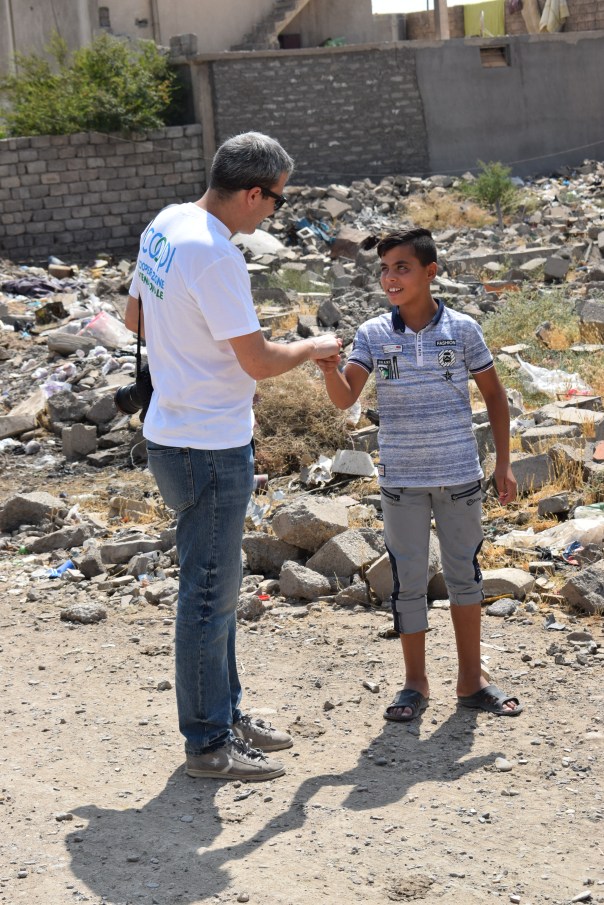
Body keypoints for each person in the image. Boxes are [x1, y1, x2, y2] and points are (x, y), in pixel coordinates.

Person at [124, 132, 341, 781]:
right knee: (208, 595)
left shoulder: (167, 223)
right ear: (252, 192)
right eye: (276, 200)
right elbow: (260, 361)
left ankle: (225, 713)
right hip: (209, 445)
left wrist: (193, 356)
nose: (273, 211)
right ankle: (208, 743)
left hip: (173, 433)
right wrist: (311, 348)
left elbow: (135, 317)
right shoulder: (215, 254)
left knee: (216, 587)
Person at [316, 228, 523, 721]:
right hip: (401, 481)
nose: (390, 278)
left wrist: (504, 463)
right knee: (408, 580)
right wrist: (328, 370)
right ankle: (415, 684)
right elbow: (346, 398)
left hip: (459, 475)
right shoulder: (373, 334)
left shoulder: (464, 329)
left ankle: (472, 682)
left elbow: (495, 396)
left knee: (464, 576)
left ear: (430, 272)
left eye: (401, 268)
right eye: (384, 269)